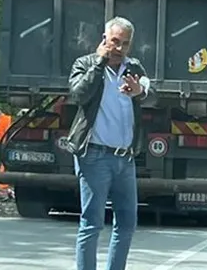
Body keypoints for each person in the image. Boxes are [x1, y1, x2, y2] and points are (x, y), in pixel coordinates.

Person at [65, 16, 155, 270]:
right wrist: (98, 62)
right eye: (115, 42)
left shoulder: (133, 67)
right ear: (104, 39)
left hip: (125, 159)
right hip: (94, 155)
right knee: (92, 223)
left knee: (127, 223)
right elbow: (80, 95)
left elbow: (151, 93)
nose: (119, 48)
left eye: (125, 44)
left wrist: (140, 92)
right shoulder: (84, 64)